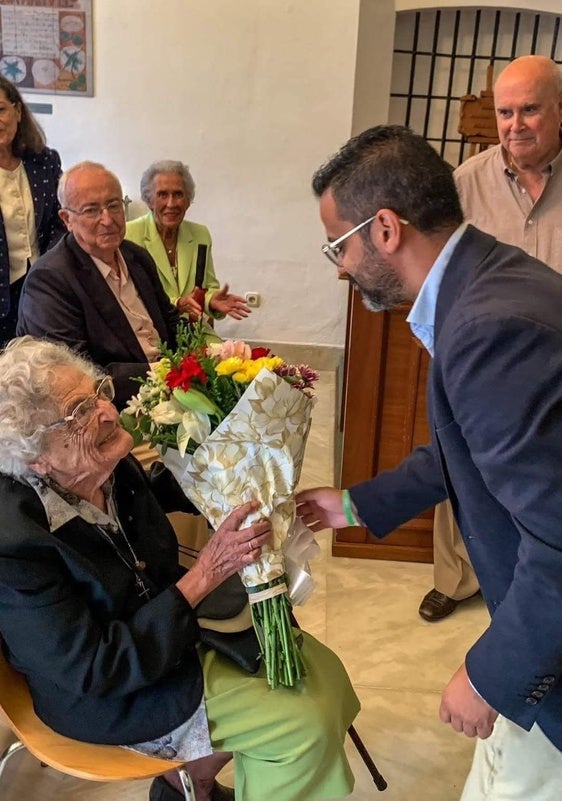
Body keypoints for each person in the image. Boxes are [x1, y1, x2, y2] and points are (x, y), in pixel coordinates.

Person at [298, 124, 562, 800]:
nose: (339, 267)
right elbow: (463, 448)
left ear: (385, 229)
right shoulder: (489, 277)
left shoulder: (489, 327)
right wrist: (353, 504)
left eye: (338, 245)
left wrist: (490, 675)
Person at [0, 335, 360, 801]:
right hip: (114, 695)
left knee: (326, 676)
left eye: (98, 393)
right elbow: (95, 669)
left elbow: (153, 491)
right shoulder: (15, 546)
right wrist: (205, 574)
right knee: (302, 724)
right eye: (78, 413)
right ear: (37, 459)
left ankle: (186, 787)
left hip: (169, 634)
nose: (107, 411)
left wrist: (238, 469)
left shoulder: (100, 464)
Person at [420, 54, 562, 622]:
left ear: (559, 110)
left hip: (555, 364)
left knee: (546, 482)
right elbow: (437, 267)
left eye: (530, 110)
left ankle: (536, 586)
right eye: (506, 113)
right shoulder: (465, 183)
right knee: (464, 462)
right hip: (480, 359)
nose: (515, 125)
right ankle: (455, 578)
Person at [16, 161, 181, 410]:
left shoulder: (136, 256)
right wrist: (164, 373)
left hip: (172, 388)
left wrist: (204, 355)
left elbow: (170, 321)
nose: (108, 219)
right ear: (67, 219)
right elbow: (76, 375)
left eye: (114, 205)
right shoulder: (50, 280)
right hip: (111, 408)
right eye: (92, 210)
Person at [126, 160, 250, 341]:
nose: (171, 203)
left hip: (193, 329)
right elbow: (133, 297)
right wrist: (177, 303)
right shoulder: (129, 235)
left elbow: (206, 287)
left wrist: (212, 300)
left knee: (232, 356)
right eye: (162, 194)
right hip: (151, 333)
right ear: (149, 200)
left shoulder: (200, 234)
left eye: (178, 194)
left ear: (188, 201)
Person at [0, 75, 65, 345]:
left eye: (1, 110)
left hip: (41, 287)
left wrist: (48, 267)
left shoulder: (44, 160)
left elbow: (60, 219)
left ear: (17, 111)